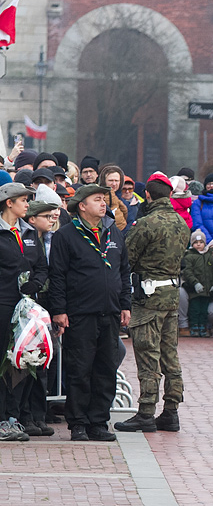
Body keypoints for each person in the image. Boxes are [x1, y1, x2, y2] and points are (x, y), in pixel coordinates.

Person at [48, 183, 131, 442]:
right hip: (80, 313)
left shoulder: (114, 233)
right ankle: (79, 423)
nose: (103, 203)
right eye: (97, 199)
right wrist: (59, 310)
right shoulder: (66, 235)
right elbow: (58, 276)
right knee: (80, 369)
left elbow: (124, 271)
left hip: (109, 312)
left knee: (105, 369)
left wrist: (125, 303)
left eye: (104, 199)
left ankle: (99, 422)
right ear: (82, 206)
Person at [114, 173, 190, 433]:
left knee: (148, 355)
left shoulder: (145, 224)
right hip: (171, 296)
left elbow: (126, 259)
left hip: (148, 299)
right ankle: (171, 411)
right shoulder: (181, 222)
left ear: (148, 194)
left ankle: (146, 412)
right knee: (170, 355)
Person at [0, 183, 47, 442]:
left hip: (27, 309)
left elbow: (42, 266)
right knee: (1, 361)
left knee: (22, 363)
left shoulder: (29, 232)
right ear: (9, 203)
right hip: (3, 305)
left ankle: (13, 417)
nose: (28, 204)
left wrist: (36, 284)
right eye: (23, 200)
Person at [16, 199, 60, 437]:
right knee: (24, 363)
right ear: (32, 219)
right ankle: (25, 416)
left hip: (43, 305)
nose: (52, 219)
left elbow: (44, 269)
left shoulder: (46, 239)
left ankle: (38, 415)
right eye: (46, 216)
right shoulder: (24, 237)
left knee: (42, 362)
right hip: (23, 304)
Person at [181, 229, 213, 337]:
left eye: (201, 242)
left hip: (207, 290)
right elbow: (188, 272)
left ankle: (203, 327)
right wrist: (195, 283)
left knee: (204, 310)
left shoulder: (210, 256)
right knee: (195, 309)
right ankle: (194, 326)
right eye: (195, 243)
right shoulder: (189, 256)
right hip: (194, 290)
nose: (198, 245)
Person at [98, 165, 129, 232]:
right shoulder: (97, 199)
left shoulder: (126, 202)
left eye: (116, 181)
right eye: (111, 180)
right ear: (104, 181)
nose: (114, 184)